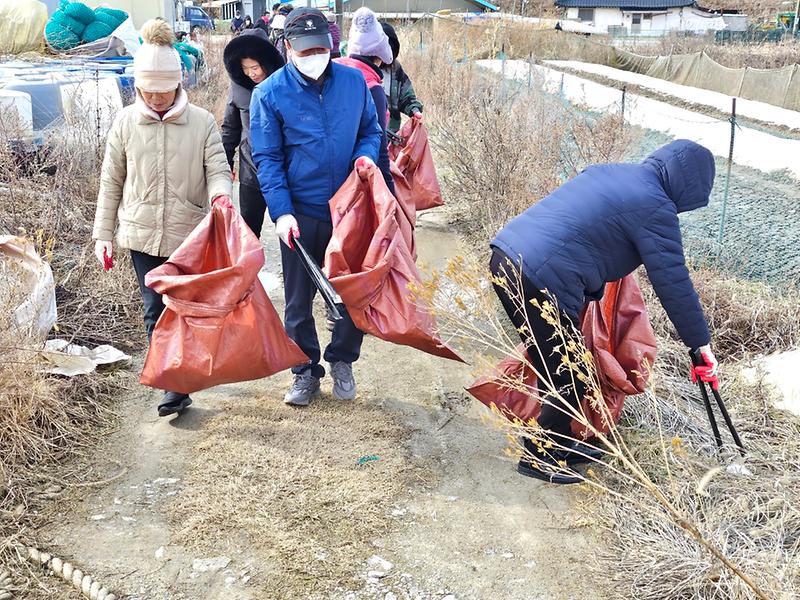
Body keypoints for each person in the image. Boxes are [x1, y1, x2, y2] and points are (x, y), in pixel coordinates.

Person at [490, 139, 718, 484]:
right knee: (568, 368)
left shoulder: (612, 172)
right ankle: (540, 456)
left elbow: (584, 229)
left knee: (558, 362)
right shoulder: (655, 205)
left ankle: (561, 442)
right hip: (539, 276)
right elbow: (673, 282)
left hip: (507, 257)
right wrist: (699, 343)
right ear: (689, 184)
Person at [92, 19, 231, 417]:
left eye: (163, 91)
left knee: (184, 311)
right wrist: (103, 234)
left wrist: (221, 196)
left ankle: (183, 377)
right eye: (147, 92)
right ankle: (174, 386)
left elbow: (219, 170)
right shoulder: (125, 123)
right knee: (155, 310)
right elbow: (111, 181)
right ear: (137, 87)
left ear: (178, 84)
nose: (155, 99)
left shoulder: (202, 122)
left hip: (188, 237)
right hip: (140, 234)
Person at [250, 7, 383, 406]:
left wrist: (365, 157)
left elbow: (370, 130)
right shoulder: (269, 93)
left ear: (331, 45)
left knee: (348, 292)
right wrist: (281, 211)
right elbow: (268, 158)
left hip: (348, 208)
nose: (315, 57)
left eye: (321, 49)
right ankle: (305, 370)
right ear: (288, 47)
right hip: (301, 211)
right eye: (306, 51)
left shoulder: (353, 83)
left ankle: (342, 359)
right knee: (297, 299)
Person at [221, 29, 284, 239]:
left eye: (255, 67)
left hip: (282, 172)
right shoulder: (238, 88)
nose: (252, 73)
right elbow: (230, 129)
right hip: (250, 172)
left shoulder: (284, 84)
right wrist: (226, 164)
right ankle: (247, 272)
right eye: (246, 68)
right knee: (247, 234)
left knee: (288, 230)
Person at [335, 7, 395, 195]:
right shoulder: (372, 88)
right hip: (358, 176)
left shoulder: (335, 73)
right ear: (380, 56)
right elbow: (379, 144)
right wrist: (389, 193)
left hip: (323, 180)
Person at [380, 22, 423, 133]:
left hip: (391, 132)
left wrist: (414, 110)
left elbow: (405, 95)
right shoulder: (362, 68)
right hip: (367, 135)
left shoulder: (395, 68)